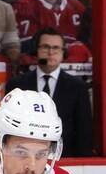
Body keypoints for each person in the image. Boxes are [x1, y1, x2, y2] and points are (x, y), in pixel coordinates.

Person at [6, 27, 92, 157]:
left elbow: (84, 131)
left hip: (65, 158)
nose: (51, 53)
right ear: (36, 51)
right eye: (45, 47)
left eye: (56, 48)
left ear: (63, 53)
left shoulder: (78, 87)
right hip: (24, 156)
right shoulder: (17, 85)